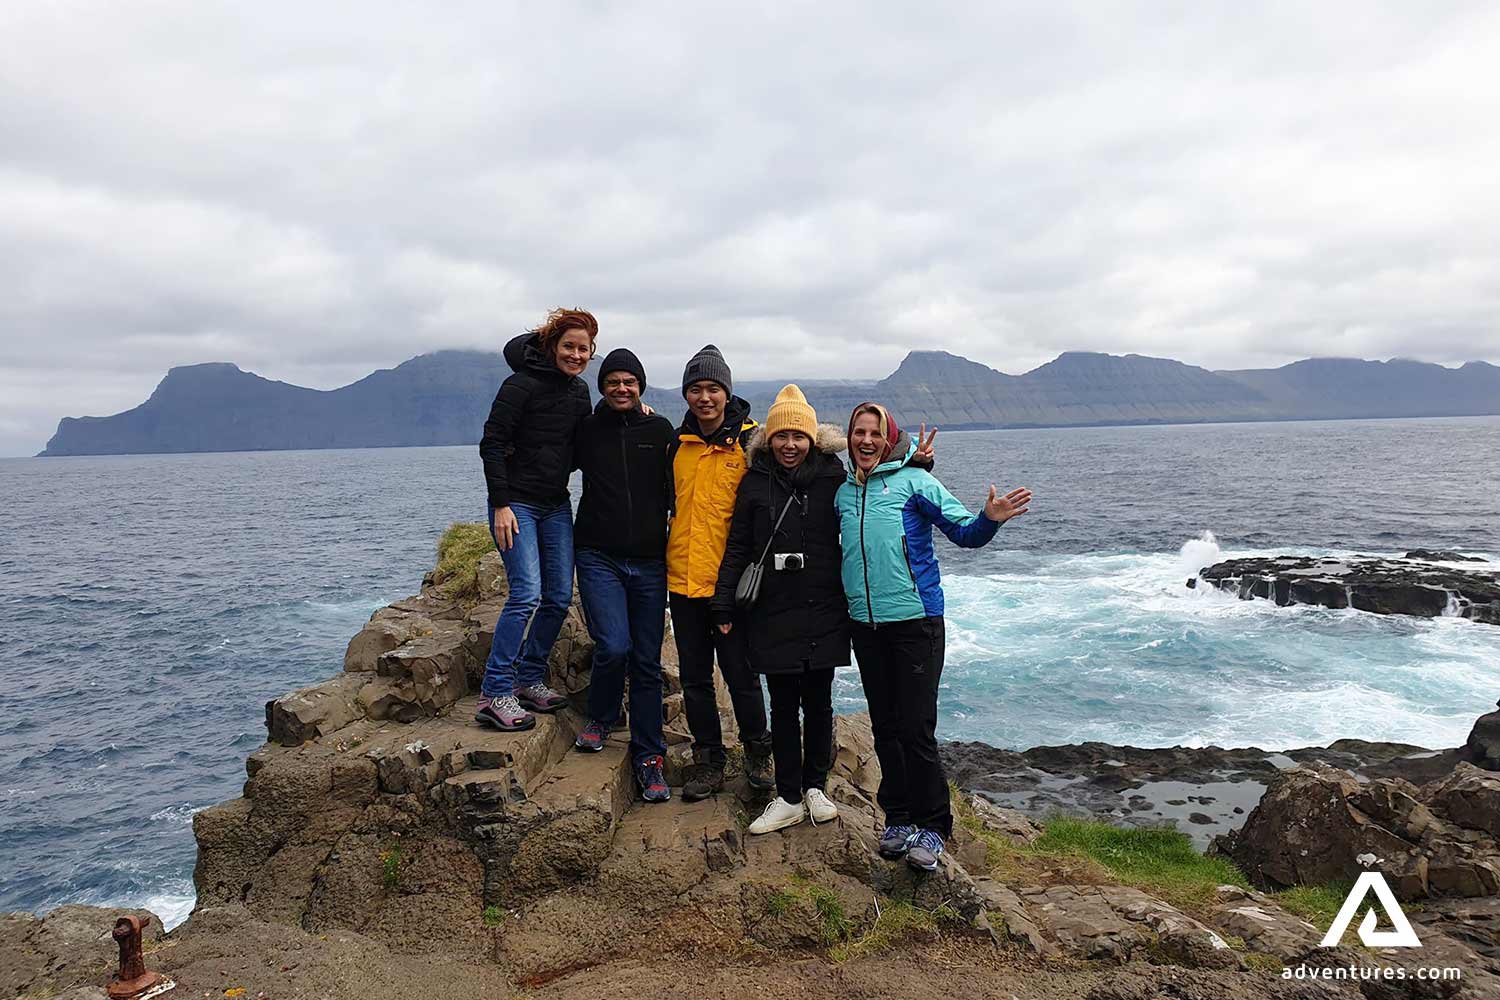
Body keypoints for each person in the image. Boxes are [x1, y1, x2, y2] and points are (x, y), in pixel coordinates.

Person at [836, 402, 1031, 872]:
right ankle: (898, 818)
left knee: (916, 728)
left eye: (874, 434)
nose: (865, 441)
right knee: (884, 727)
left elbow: (965, 534)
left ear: (889, 440)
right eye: (858, 432)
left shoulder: (916, 483)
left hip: (916, 623)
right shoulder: (842, 492)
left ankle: (935, 826)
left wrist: (990, 517)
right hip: (865, 625)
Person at [712, 385, 847, 834]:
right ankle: (788, 795)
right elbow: (737, 547)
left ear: (812, 440)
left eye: (798, 436)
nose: (790, 445)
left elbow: (879, 480)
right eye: (781, 436)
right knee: (785, 706)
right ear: (768, 439)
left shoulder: (834, 475)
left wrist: (919, 461)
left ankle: (816, 788)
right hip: (772, 609)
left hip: (824, 606)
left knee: (820, 702)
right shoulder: (754, 482)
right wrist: (723, 603)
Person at [475, 308, 595, 732]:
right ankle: (495, 692)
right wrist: (501, 504)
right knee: (526, 594)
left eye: (584, 348)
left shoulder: (580, 392)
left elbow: (585, 446)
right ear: (552, 346)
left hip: (555, 504)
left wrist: (636, 415)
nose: (576, 354)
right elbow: (492, 444)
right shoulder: (519, 385)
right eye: (569, 346)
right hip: (517, 505)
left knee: (559, 596)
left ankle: (528, 678)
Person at [666, 345, 774, 800]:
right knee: (694, 678)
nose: (704, 397)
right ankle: (708, 761)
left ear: (727, 393)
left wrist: (913, 461)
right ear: (686, 393)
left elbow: (803, 472)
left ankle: (757, 756)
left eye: (713, 388)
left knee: (741, 676)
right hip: (681, 580)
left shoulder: (753, 444)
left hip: (729, 586)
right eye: (696, 388)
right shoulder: (676, 443)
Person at [570, 348, 673, 803]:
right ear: (603, 387)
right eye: (613, 381)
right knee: (613, 645)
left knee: (647, 662)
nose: (621, 388)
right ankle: (602, 714)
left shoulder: (661, 430)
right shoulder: (588, 431)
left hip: (651, 561)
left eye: (629, 381)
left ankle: (649, 758)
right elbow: (545, 457)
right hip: (598, 556)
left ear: (641, 387)